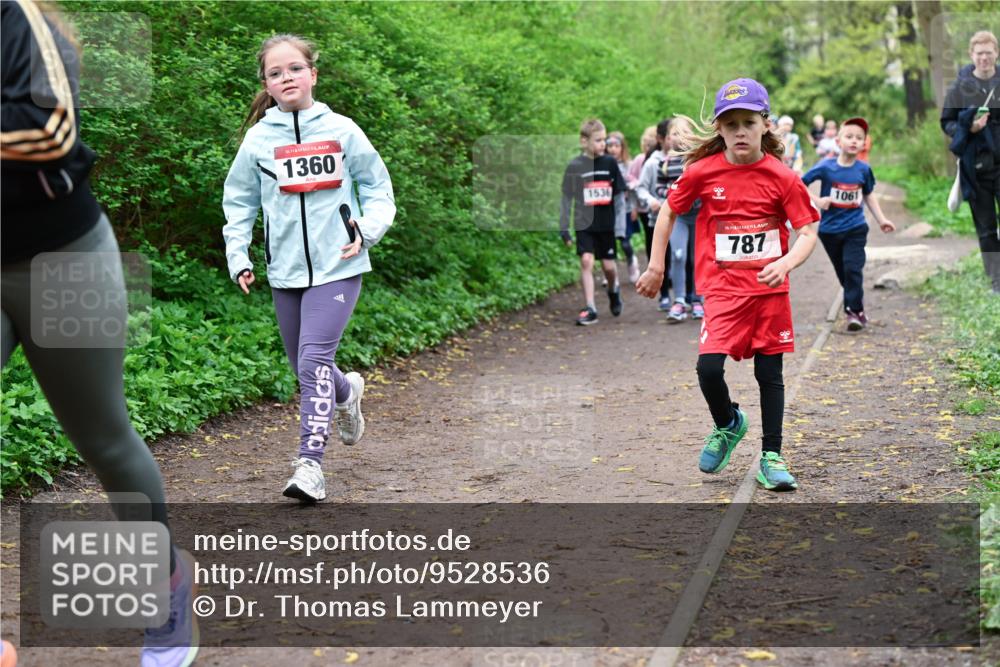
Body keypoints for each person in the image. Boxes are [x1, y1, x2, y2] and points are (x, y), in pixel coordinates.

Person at [1, 1, 197, 664]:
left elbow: (50, 129)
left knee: (105, 439)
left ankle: (168, 593)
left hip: (61, 260)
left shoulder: (14, 18)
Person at [223, 34, 396, 502]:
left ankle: (309, 466)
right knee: (307, 367)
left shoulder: (341, 130)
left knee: (312, 360)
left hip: (339, 264)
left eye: (295, 69)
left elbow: (378, 188)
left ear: (312, 74)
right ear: (267, 83)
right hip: (286, 272)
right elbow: (238, 202)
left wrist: (366, 228)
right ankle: (346, 391)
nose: (287, 78)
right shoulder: (259, 140)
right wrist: (238, 254)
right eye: (276, 73)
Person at [636, 78, 819, 492]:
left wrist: (786, 262)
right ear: (719, 128)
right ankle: (728, 422)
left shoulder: (782, 178)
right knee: (708, 369)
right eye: (731, 123)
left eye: (748, 122)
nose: (740, 131)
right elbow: (667, 212)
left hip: (769, 293)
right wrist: (656, 266)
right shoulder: (703, 172)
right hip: (721, 291)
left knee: (770, 373)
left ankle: (772, 455)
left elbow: (807, 231)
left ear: (765, 125)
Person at [802, 117, 895, 331]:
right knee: (844, 273)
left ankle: (853, 312)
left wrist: (882, 220)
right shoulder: (826, 167)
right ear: (838, 141)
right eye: (849, 136)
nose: (854, 141)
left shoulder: (863, 169)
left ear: (864, 144)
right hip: (829, 231)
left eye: (859, 138)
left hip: (855, 228)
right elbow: (799, 184)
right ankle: (857, 308)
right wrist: (817, 201)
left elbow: (869, 195)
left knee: (853, 269)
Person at [940, 30, 1000, 293]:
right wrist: (969, 128)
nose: (984, 58)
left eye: (989, 52)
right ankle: (996, 279)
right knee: (986, 227)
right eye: (980, 53)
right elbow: (947, 122)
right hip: (976, 167)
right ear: (971, 55)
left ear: (996, 53)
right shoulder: (959, 88)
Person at [560, 118, 627, 325]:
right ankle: (590, 307)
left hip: (606, 224)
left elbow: (619, 198)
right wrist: (564, 228)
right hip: (584, 223)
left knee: (608, 267)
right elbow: (566, 199)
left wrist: (620, 228)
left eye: (604, 140)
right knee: (586, 261)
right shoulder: (575, 166)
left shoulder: (610, 163)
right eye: (598, 140)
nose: (603, 144)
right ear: (584, 141)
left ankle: (613, 289)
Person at [658, 116, 704, 323]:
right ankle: (679, 301)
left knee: (697, 258)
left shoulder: (699, 160)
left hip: (700, 216)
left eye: (684, 132)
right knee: (678, 255)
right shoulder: (666, 163)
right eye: (674, 133)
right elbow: (659, 187)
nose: (679, 137)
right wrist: (669, 193)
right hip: (679, 217)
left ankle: (698, 300)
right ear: (668, 139)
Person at [636, 118, 675, 311]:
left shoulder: (685, 161)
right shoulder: (652, 163)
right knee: (662, 257)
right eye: (672, 135)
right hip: (656, 219)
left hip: (680, 220)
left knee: (680, 257)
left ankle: (685, 297)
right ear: (662, 138)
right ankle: (665, 294)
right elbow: (641, 187)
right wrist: (650, 200)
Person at [606, 131, 640, 283]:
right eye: (610, 146)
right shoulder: (603, 164)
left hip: (625, 210)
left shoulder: (629, 165)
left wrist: (634, 207)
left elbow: (633, 189)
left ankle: (631, 260)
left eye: (616, 145)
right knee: (608, 242)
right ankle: (611, 273)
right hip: (608, 210)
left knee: (625, 242)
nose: (613, 149)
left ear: (622, 147)